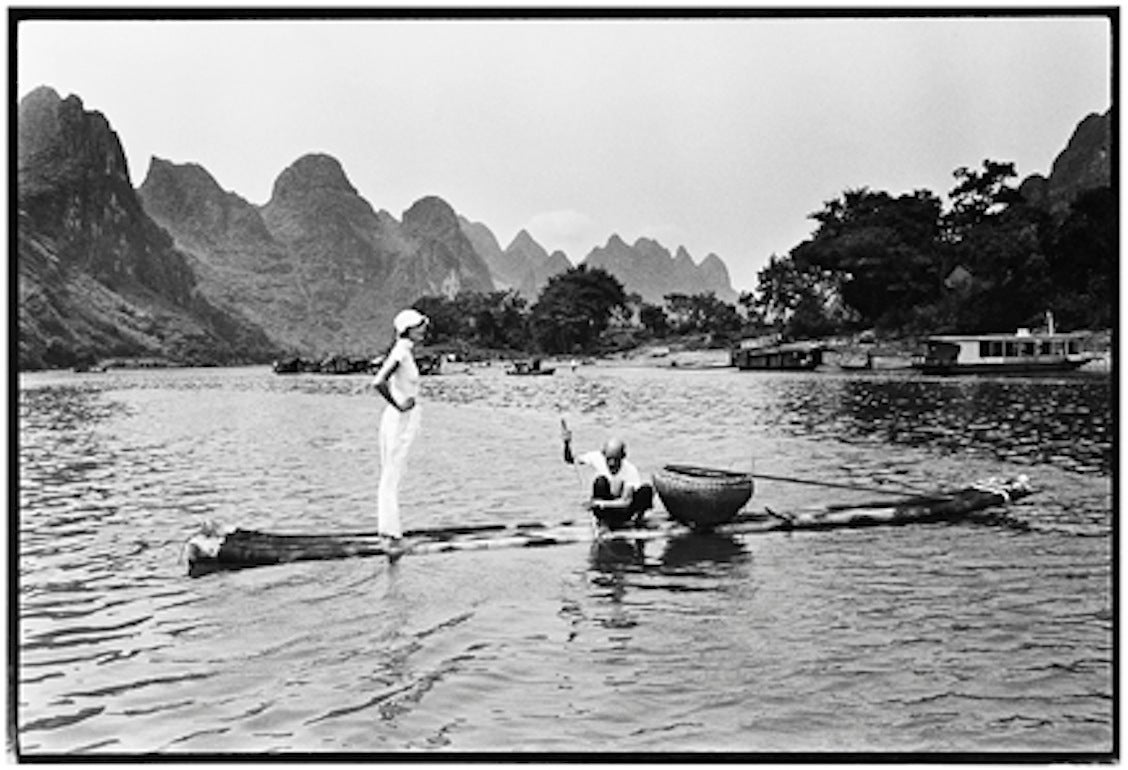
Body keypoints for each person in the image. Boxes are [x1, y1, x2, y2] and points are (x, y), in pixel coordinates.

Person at [370, 308, 429, 547]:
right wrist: (400, 404)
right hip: (398, 419)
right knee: (392, 473)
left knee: (393, 471)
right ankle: (391, 534)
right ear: (407, 330)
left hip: (401, 418)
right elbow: (378, 382)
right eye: (418, 326)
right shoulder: (400, 353)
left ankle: (389, 529)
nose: (423, 330)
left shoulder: (405, 352)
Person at [561, 425, 653, 530]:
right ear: (603, 455)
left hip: (622, 509)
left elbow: (626, 502)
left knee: (646, 489)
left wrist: (599, 503)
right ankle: (602, 521)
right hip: (606, 509)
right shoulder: (596, 457)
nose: (612, 464)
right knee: (600, 481)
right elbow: (570, 460)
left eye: (616, 460)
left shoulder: (630, 470)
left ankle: (637, 520)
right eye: (608, 459)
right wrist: (566, 444)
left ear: (622, 457)